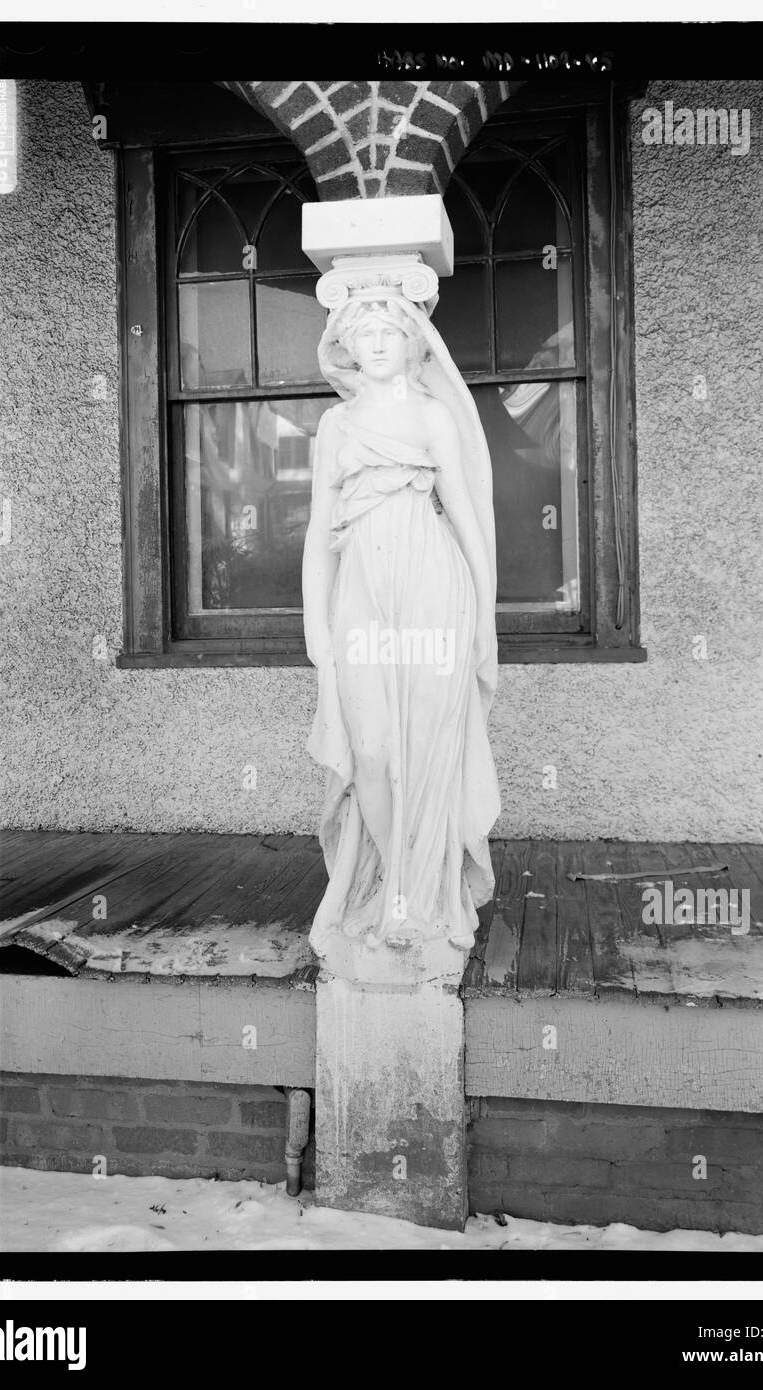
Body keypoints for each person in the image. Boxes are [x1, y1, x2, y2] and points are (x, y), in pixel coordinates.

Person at [302, 286, 500, 958]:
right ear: (347, 347)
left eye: (390, 330)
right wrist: (315, 624)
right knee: (372, 751)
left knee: (427, 749)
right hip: (362, 597)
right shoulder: (336, 427)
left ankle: (412, 897)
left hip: (434, 592)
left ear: (411, 341)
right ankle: (394, 876)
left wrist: (483, 617)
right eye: (366, 333)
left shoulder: (432, 416)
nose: (379, 342)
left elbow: (466, 519)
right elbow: (317, 532)